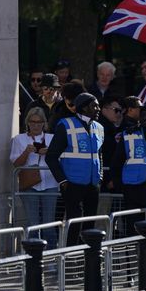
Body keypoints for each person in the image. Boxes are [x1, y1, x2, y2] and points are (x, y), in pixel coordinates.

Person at [46, 92, 104, 245]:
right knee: (75, 221)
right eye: (94, 106)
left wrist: (100, 175)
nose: (98, 109)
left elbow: (99, 154)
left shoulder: (99, 127)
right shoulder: (66, 125)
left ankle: (88, 255)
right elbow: (51, 156)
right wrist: (62, 181)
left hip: (93, 183)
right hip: (72, 183)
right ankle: (72, 257)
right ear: (84, 108)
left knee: (90, 221)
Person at [111, 103, 146, 230]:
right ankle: (133, 250)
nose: (145, 118)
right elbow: (116, 162)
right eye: (142, 115)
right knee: (133, 226)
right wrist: (120, 185)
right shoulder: (128, 135)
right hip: (133, 187)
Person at [10, 106, 59, 247]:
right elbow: (16, 164)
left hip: (50, 184)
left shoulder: (52, 138)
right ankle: (32, 259)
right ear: (27, 122)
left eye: (39, 122)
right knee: (32, 224)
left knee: (49, 224)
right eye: (33, 122)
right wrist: (26, 152)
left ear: (44, 123)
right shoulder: (19, 139)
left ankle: (50, 259)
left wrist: (48, 153)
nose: (36, 125)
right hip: (29, 185)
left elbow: (61, 160)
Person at [98, 97, 125, 190]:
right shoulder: (102, 129)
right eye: (116, 110)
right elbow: (105, 156)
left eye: (121, 111)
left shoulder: (111, 128)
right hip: (104, 180)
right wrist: (109, 179)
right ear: (104, 109)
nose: (119, 114)